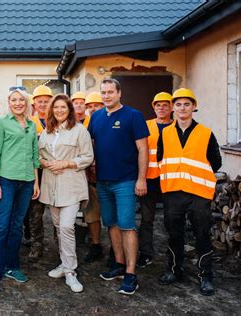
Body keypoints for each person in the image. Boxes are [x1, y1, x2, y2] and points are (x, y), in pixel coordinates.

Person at [157, 88, 221, 296]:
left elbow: (216, 162)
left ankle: (206, 277)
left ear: (194, 107)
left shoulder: (205, 133)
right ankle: (175, 271)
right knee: (174, 234)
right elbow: (160, 158)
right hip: (173, 192)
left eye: (186, 104)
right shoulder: (165, 133)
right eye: (178, 104)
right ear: (173, 108)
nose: (182, 108)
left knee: (202, 235)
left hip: (199, 194)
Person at [89, 78, 149, 295]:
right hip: (103, 181)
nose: (106, 96)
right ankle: (119, 264)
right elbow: (92, 145)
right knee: (111, 224)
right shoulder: (95, 117)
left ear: (119, 93)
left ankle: (131, 274)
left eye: (110, 92)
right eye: (103, 92)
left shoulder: (133, 116)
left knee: (127, 226)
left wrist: (141, 178)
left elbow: (143, 149)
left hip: (125, 181)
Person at [0, 88, 40, 295]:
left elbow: (35, 154)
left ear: (26, 103)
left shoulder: (32, 125)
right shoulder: (2, 122)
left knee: (17, 226)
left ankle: (12, 267)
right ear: (9, 103)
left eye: (21, 100)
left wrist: (35, 182)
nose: (18, 103)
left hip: (26, 182)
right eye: (14, 100)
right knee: (1, 226)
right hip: (7, 181)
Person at [39, 94, 93, 293]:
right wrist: (46, 163)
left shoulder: (79, 131)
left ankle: (71, 271)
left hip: (71, 185)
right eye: (56, 107)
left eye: (63, 107)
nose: (59, 110)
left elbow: (88, 157)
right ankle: (64, 264)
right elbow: (38, 156)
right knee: (58, 228)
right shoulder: (46, 132)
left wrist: (66, 163)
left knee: (67, 226)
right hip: (51, 186)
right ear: (51, 110)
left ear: (69, 110)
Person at [137, 92, 173, 268]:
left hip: (171, 181)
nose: (161, 108)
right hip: (149, 179)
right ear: (154, 107)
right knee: (146, 219)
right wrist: (140, 178)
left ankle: (173, 253)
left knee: (172, 219)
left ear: (171, 107)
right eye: (158, 105)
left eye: (165, 105)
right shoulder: (145, 126)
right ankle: (145, 253)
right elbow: (138, 152)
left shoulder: (177, 127)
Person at [27, 84, 53, 262]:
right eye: (39, 102)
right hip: (36, 174)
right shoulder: (28, 124)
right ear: (34, 104)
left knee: (60, 211)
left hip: (56, 172)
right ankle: (36, 245)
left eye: (46, 101)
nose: (43, 104)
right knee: (35, 213)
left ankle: (62, 246)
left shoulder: (59, 122)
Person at [82, 90, 105, 263]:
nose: (92, 109)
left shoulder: (111, 121)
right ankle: (96, 245)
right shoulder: (89, 125)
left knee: (114, 218)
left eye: (96, 105)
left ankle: (116, 250)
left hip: (112, 177)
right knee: (92, 215)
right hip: (92, 178)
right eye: (89, 106)